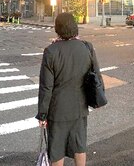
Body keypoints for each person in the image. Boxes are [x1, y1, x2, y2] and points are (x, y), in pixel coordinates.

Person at [37, 13, 101, 166]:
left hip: (57, 110)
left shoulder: (51, 51)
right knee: (79, 145)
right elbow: (96, 76)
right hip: (80, 107)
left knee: (57, 149)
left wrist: (42, 114)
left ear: (57, 28)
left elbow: (46, 87)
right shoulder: (87, 47)